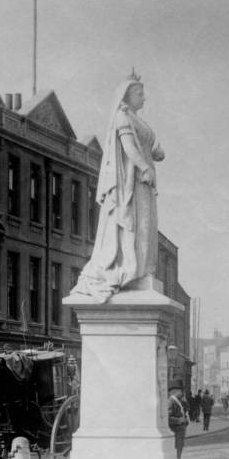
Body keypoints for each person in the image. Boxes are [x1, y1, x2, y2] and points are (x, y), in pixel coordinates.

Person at [70, 71, 166, 302]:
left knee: (145, 226)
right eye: (140, 93)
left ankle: (141, 269)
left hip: (143, 184)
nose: (144, 98)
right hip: (130, 184)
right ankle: (130, 268)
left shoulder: (139, 121)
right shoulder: (122, 118)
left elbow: (149, 147)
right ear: (127, 95)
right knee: (135, 224)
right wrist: (145, 167)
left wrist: (155, 155)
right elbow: (130, 149)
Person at [167, 387, 189, 459]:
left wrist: (185, 420)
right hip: (176, 430)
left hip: (180, 430)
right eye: (181, 391)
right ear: (175, 392)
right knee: (177, 449)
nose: (182, 393)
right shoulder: (171, 402)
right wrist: (180, 420)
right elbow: (167, 418)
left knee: (179, 448)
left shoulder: (178, 401)